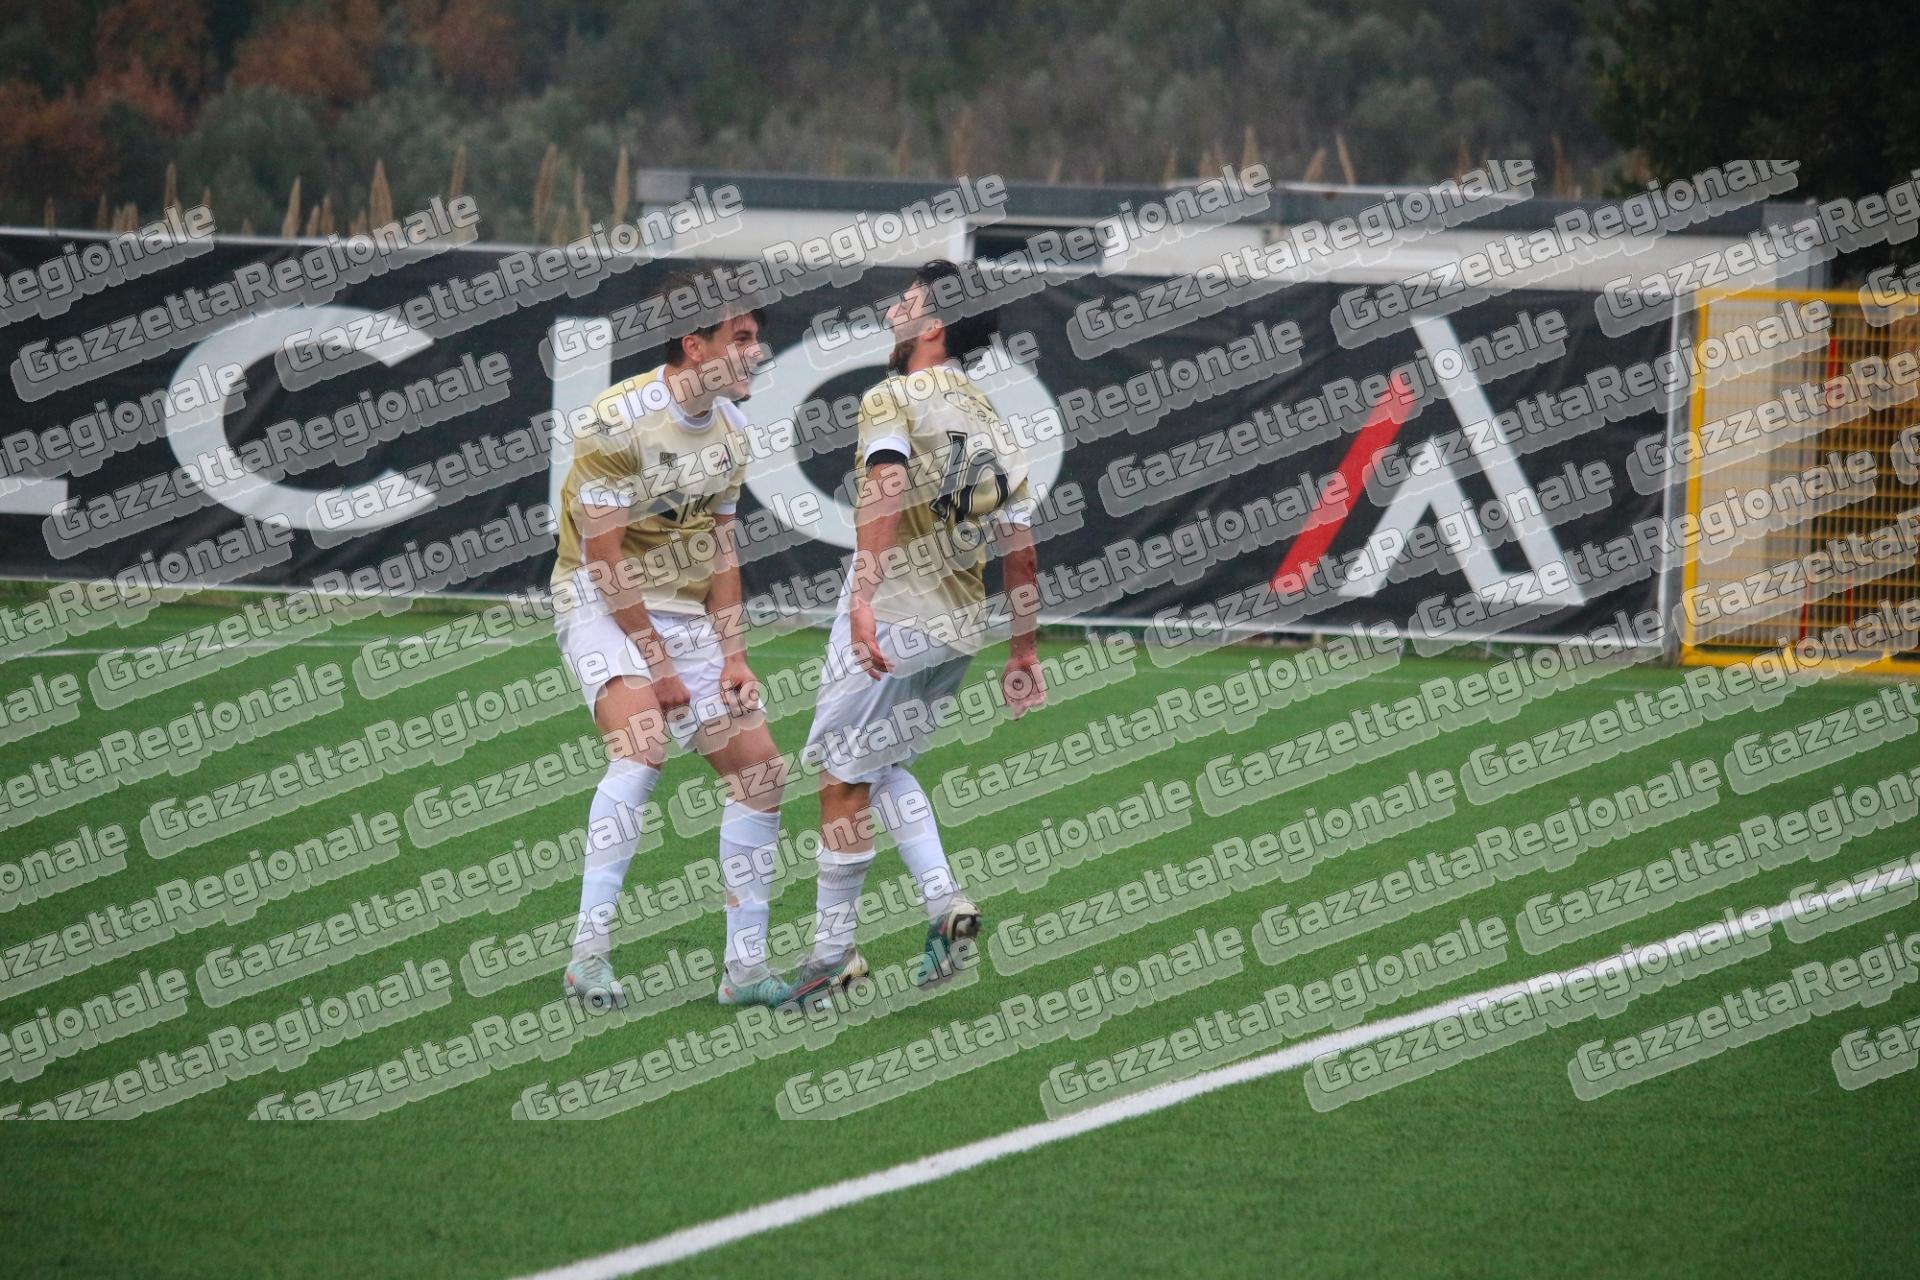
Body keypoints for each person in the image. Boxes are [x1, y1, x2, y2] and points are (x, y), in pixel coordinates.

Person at [787, 258, 1047, 1005]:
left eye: (906, 302)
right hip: (957, 630)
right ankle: (943, 903)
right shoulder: (994, 421)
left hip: (896, 614)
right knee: (884, 766)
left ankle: (831, 956)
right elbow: (1021, 547)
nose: (892, 311)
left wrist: (863, 597)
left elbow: (887, 484)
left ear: (933, 326)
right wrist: (1023, 648)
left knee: (842, 781)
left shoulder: (894, 396)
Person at [550, 269, 789, 1009]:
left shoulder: (734, 432)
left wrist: (735, 656)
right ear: (694, 344)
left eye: (755, 338)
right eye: (740, 338)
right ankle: (587, 957)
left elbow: (721, 551)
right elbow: (602, 559)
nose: (755, 351)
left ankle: (745, 971)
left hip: (684, 616)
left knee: (762, 773)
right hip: (600, 601)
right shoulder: (616, 418)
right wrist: (659, 665)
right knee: (643, 744)